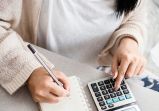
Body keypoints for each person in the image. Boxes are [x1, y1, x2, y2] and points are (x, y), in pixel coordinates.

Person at [0, 0, 147, 103]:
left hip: (90, 77)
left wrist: (129, 41)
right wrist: (28, 71)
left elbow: (134, 16)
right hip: (25, 75)